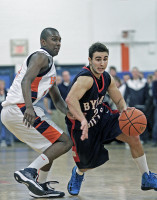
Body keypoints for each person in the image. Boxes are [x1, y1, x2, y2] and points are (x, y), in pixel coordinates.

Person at [65, 42, 157, 196]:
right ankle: (78, 173)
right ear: (90, 60)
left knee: (134, 137)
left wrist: (124, 111)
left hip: (103, 117)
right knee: (86, 165)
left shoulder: (107, 77)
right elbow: (70, 100)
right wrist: (82, 120)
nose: (102, 63)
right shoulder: (85, 79)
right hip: (82, 125)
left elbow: (119, 100)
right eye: (98, 59)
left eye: (105, 59)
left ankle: (146, 176)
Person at [1, 27, 73, 198]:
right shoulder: (41, 56)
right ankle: (29, 172)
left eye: (60, 40)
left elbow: (57, 100)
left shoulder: (50, 66)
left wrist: (71, 113)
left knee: (51, 148)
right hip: (19, 108)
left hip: (14, 111)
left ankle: (39, 186)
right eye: (54, 39)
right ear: (43, 42)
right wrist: (29, 107)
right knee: (65, 142)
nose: (58, 43)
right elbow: (26, 80)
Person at [0, 80, 13, 147]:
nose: (1, 86)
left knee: (8, 128)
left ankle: (8, 142)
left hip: (6, 113)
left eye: (2, 84)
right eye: (0, 84)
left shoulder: (7, 91)